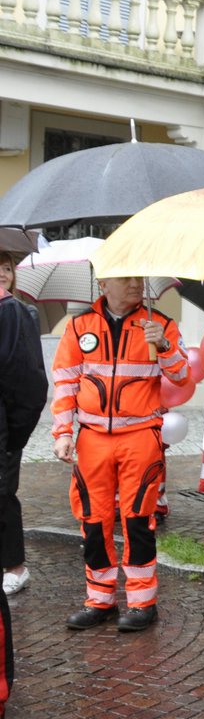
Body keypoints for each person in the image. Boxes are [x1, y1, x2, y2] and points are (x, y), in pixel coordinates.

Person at [51, 275, 186, 632]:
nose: (135, 285)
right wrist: (63, 432)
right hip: (92, 438)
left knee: (138, 519)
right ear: (103, 285)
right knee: (93, 520)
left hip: (141, 435)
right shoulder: (80, 327)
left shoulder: (161, 324)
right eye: (125, 280)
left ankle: (143, 603)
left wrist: (166, 347)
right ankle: (100, 599)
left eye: (138, 279)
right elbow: (65, 382)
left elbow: (185, 376)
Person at [1, 245, 47, 598]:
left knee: (2, 495)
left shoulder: (15, 312)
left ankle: (15, 566)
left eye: (7, 267)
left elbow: (28, 380)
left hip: (4, 426)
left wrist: (14, 433)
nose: (3, 272)